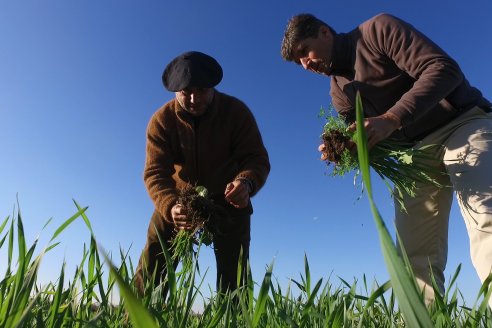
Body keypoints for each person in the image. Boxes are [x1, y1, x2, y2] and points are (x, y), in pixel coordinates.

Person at [281, 13, 492, 305]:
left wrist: (392, 118)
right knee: (413, 254)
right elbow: (368, 139)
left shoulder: (378, 31)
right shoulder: (339, 93)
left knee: (486, 214)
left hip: (462, 123)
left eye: (305, 51)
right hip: (414, 157)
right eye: (298, 62)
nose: (306, 64)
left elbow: (443, 69)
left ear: (324, 32)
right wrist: (346, 149)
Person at [135, 51, 270, 296]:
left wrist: (246, 183)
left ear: (213, 87)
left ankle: (234, 321)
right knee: (154, 263)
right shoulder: (161, 121)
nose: (194, 99)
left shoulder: (236, 113)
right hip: (179, 199)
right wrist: (170, 205)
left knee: (235, 275)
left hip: (228, 200)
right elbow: (155, 172)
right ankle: (137, 318)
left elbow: (256, 158)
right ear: (176, 91)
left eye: (202, 90)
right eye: (186, 92)